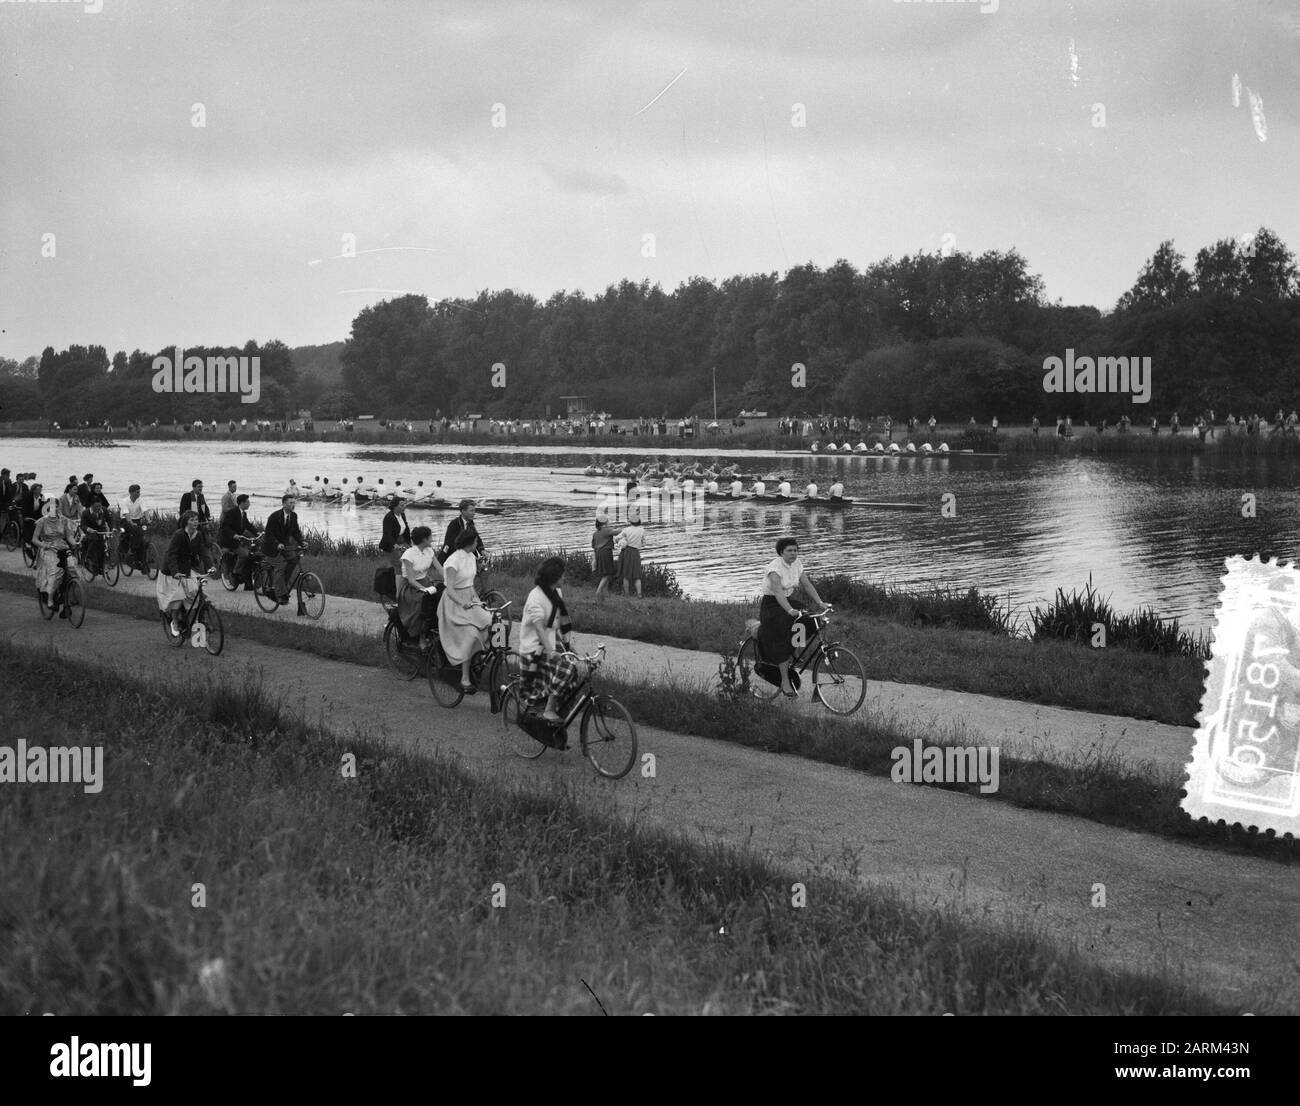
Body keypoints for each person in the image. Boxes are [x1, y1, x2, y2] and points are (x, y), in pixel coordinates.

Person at [757, 537, 827, 697]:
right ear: (781, 552)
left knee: (811, 620)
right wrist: (789, 610)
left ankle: (794, 649)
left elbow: (807, 584)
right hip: (772, 606)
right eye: (789, 550)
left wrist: (820, 602)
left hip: (788, 601)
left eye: (795, 550)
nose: (793, 553)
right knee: (783, 639)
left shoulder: (797, 563)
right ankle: (785, 681)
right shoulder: (774, 569)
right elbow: (777, 592)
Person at [519, 555, 579, 722]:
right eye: (562, 575)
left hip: (550, 641)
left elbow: (556, 623)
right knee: (565, 669)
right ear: (556, 577)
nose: (564, 577)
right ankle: (549, 709)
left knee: (574, 667)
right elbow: (539, 628)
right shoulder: (535, 598)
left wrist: (567, 646)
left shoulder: (556, 592)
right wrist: (552, 651)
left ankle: (559, 704)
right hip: (534, 646)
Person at [437, 528, 492, 691]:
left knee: (492, 621)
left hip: (469, 597)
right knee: (471, 634)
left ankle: (478, 658)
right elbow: (450, 589)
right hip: (454, 603)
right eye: (476, 541)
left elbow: (469, 584)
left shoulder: (471, 556)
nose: (478, 544)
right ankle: (464, 677)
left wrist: (477, 600)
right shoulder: (453, 561)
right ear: (469, 543)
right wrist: (463, 603)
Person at [157, 510, 212, 636]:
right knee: (177, 597)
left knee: (194, 593)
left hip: (187, 568)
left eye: (196, 520)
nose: (195, 522)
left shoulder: (198, 535)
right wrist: (175, 572)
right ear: (186, 522)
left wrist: (210, 567)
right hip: (172, 571)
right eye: (192, 520)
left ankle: (193, 620)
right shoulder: (179, 535)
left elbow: (203, 552)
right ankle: (174, 622)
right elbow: (171, 554)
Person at [397, 525, 443, 648]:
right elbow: (411, 579)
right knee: (423, 606)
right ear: (424, 539)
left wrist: (452, 581)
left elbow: (440, 569)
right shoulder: (409, 555)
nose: (432, 539)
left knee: (442, 599)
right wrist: (424, 589)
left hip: (426, 582)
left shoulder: (429, 551)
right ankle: (421, 637)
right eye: (430, 537)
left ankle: (437, 631)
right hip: (410, 587)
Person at [33, 500, 77, 616]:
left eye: (57, 507)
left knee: (72, 570)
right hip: (48, 549)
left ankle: (68, 601)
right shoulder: (42, 521)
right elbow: (35, 539)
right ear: (48, 509)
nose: (55, 509)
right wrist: (45, 545)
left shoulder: (64, 520)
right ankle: (50, 599)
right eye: (53, 507)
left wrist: (75, 544)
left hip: (62, 547)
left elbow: (68, 536)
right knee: (55, 571)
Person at [262, 493, 305, 609]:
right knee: (280, 565)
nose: (293, 505)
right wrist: (277, 544)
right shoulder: (274, 517)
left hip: (284, 546)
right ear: (284, 504)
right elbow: (269, 534)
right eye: (291, 503)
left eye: (294, 503)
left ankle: (282, 585)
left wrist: (302, 542)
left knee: (293, 560)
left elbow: (296, 531)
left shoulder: (294, 516)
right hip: (271, 548)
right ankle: (279, 594)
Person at [219, 493, 260, 588]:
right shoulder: (232, 512)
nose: (249, 504)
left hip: (237, 538)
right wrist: (234, 535)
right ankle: (235, 573)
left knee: (251, 554)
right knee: (244, 554)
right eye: (248, 502)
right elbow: (225, 526)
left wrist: (257, 533)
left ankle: (248, 582)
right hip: (229, 539)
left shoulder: (243, 513)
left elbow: (247, 524)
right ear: (242, 503)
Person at [440, 498, 484, 566]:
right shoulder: (454, 524)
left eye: (474, 511)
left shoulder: (470, 523)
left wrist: (482, 550)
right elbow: (450, 543)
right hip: (453, 556)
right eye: (471, 511)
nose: (474, 513)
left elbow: (476, 538)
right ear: (463, 511)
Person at [614, 509, 646, 598]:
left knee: (626, 574)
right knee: (637, 575)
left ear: (630, 521)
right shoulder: (642, 530)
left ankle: (627, 594)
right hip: (636, 552)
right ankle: (639, 594)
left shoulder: (626, 530)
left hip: (627, 552)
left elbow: (616, 539)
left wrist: (622, 541)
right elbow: (644, 543)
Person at [79, 500, 110, 576]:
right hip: (90, 531)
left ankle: (104, 564)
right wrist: (89, 529)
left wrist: (113, 528)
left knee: (104, 545)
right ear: (92, 506)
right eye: (96, 506)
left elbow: (110, 519)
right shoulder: (86, 512)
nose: (99, 508)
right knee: (94, 541)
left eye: (100, 506)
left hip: (101, 530)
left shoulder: (104, 510)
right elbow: (82, 525)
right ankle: (89, 558)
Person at [379, 494, 412, 564]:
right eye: (402, 505)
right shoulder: (389, 517)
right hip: (391, 543)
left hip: (402, 541)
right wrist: (394, 545)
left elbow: (406, 529)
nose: (404, 507)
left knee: (409, 560)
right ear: (395, 507)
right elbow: (386, 534)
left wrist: (409, 542)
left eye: (405, 504)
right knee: (398, 565)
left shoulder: (402, 514)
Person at [592, 515, 616, 601]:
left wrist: (594, 561)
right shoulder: (607, 530)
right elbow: (617, 532)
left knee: (604, 573)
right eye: (608, 521)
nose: (609, 522)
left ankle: (605, 594)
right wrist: (625, 530)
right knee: (608, 574)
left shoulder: (595, 533)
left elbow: (593, 546)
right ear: (604, 523)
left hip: (598, 553)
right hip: (606, 553)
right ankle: (598, 591)